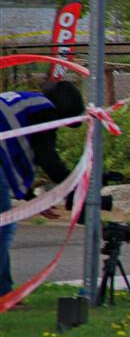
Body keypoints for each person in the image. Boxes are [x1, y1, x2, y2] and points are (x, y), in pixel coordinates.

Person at [0, 81, 84, 299]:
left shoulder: (26, 101)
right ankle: (2, 294)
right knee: (3, 229)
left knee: (4, 224)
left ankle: (4, 292)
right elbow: (48, 159)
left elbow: (19, 154)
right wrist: (75, 185)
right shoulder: (44, 110)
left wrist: (33, 201)